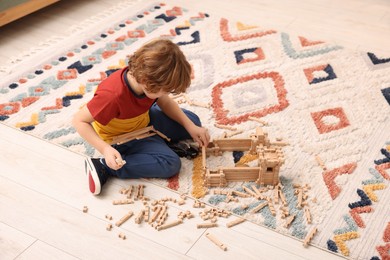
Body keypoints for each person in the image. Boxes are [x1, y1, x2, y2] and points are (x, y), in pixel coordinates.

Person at [72, 38, 210, 195]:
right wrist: (105, 150)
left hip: (144, 119)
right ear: (146, 81)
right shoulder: (112, 96)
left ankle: (161, 143)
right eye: (165, 90)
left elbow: (164, 101)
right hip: (123, 137)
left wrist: (190, 126)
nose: (166, 94)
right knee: (170, 164)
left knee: (193, 122)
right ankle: (104, 166)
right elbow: (79, 120)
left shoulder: (147, 79)